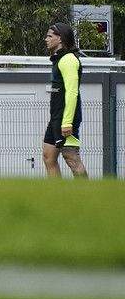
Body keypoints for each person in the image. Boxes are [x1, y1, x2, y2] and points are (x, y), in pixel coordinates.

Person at [44, 22, 88, 180]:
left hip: (66, 119)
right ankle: (59, 197)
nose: (46, 39)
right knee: (48, 156)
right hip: (56, 118)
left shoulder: (68, 59)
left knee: (71, 158)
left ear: (60, 39)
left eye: (50, 36)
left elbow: (72, 92)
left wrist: (67, 122)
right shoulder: (58, 59)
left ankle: (86, 197)